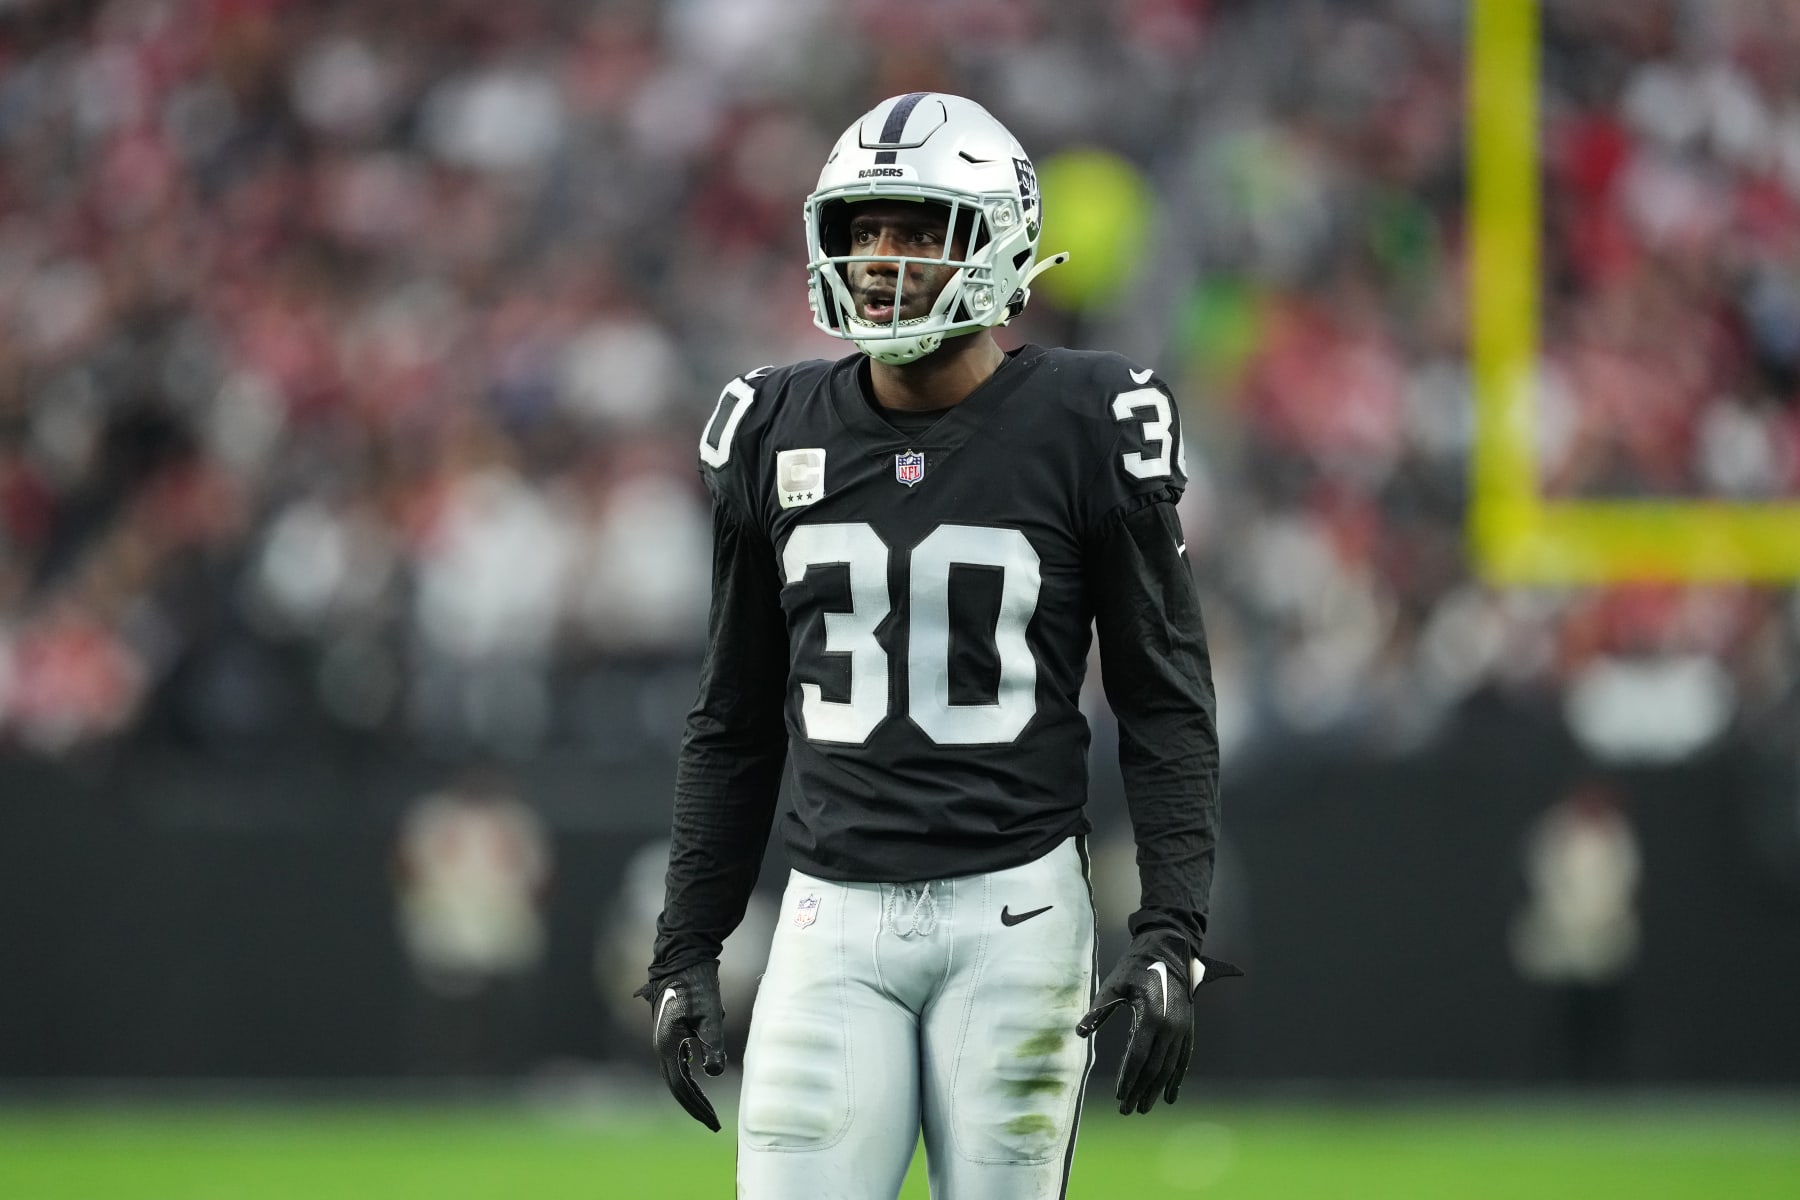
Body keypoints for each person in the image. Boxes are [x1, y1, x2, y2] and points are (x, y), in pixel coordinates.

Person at [637, 92, 1235, 1199]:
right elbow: (731, 719)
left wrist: (1170, 930)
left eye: (920, 229)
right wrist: (687, 943)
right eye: (866, 229)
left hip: (1016, 917)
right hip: (829, 917)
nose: (884, 259)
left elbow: (1164, 702)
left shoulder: (1089, 418)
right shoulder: (771, 426)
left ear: (1002, 242)